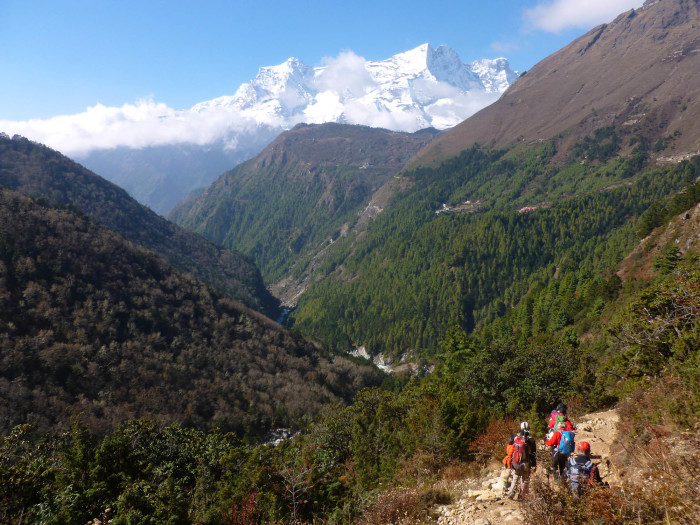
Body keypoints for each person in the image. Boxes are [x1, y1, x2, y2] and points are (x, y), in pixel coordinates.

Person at [506, 421, 537, 499]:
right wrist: (534, 464)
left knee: (516, 475)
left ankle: (512, 491)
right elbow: (533, 453)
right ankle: (523, 494)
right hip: (525, 463)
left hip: (515, 462)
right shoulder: (530, 440)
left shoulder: (516, 437)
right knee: (525, 478)